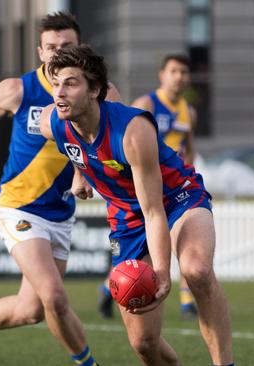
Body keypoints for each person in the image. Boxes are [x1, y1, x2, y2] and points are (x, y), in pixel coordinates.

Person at [0, 12, 118, 366]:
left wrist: (88, 174)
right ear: (39, 51)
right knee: (54, 295)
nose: (56, 54)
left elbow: (112, 139)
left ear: (80, 48)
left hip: (61, 214)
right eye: (50, 48)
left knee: (30, 309)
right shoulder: (17, 90)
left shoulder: (100, 93)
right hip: (18, 207)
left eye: (66, 46)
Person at [38, 45, 234, 366]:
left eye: (70, 83)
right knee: (143, 343)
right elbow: (69, 143)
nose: (59, 92)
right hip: (126, 217)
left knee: (196, 270)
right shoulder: (53, 121)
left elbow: (154, 210)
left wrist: (160, 271)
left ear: (94, 91)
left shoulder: (132, 131)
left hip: (176, 197)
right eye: (56, 83)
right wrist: (79, 173)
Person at [97, 54, 198, 320]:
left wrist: (189, 172)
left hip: (173, 189)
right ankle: (110, 288)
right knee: (135, 255)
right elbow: (124, 136)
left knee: (183, 245)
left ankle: (187, 301)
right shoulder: (146, 104)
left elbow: (189, 148)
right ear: (161, 75)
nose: (179, 77)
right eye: (174, 71)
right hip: (141, 187)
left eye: (184, 72)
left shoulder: (189, 111)